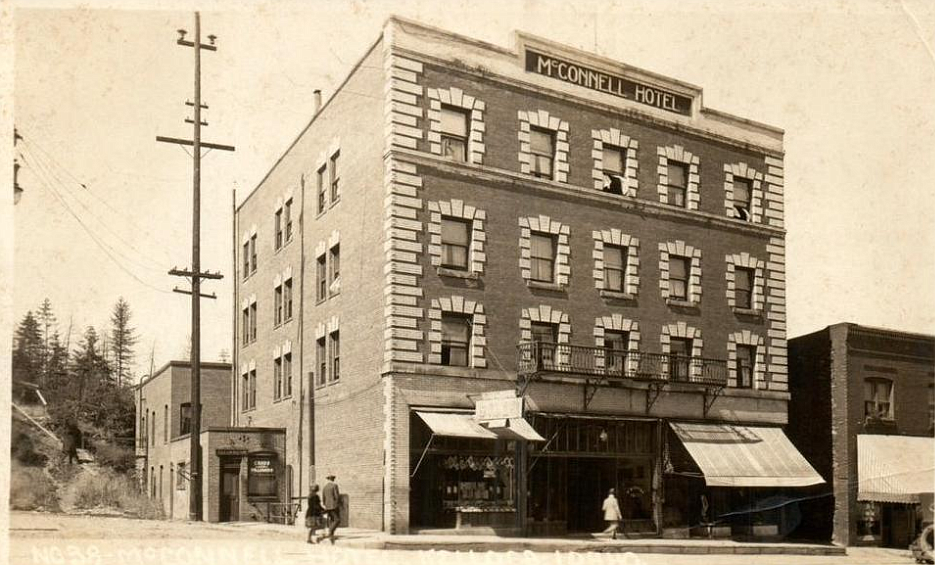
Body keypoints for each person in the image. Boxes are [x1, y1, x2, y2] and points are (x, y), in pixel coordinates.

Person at [321, 474, 341, 544]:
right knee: (337, 520)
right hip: (334, 506)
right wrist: (338, 504)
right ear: (333, 479)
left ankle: (331, 534)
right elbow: (337, 496)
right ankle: (330, 532)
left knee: (332, 520)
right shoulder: (334, 486)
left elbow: (323, 498)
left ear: (328, 479)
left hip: (327, 506)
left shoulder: (325, 487)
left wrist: (326, 505)